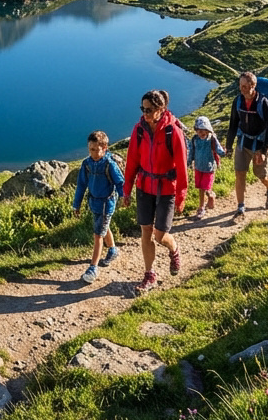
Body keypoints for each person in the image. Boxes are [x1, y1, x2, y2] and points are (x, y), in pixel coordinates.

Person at [122, 89, 188, 294]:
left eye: (149, 109)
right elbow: (132, 160)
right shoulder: (139, 130)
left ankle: (174, 249)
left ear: (161, 109)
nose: (145, 113)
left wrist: (181, 196)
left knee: (160, 235)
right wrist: (127, 189)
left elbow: (182, 166)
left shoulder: (173, 131)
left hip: (167, 188)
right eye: (143, 109)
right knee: (146, 231)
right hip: (144, 187)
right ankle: (149, 274)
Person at [71, 130, 125, 283]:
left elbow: (120, 183)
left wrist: (124, 197)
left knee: (98, 235)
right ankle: (113, 250)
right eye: (90, 149)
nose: (93, 153)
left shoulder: (109, 165)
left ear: (105, 148)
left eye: (96, 149)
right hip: (93, 203)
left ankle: (93, 268)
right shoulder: (87, 164)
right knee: (103, 227)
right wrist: (77, 204)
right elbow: (81, 185)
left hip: (106, 204)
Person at [225, 71, 268, 217]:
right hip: (243, 142)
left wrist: (265, 151)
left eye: (245, 86)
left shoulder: (263, 103)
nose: (242, 89)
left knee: (261, 175)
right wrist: (228, 146)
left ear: (253, 86)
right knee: (240, 174)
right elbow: (233, 124)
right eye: (240, 85)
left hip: (260, 145)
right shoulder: (238, 101)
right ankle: (241, 207)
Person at [188, 115, 225, 219]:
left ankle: (211, 195)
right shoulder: (195, 139)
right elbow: (191, 151)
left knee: (206, 187)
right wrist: (189, 162)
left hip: (209, 168)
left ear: (208, 130)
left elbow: (218, 149)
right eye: (199, 131)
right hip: (198, 167)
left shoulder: (212, 139)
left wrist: (223, 153)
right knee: (200, 188)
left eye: (203, 131)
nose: (201, 133)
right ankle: (201, 207)